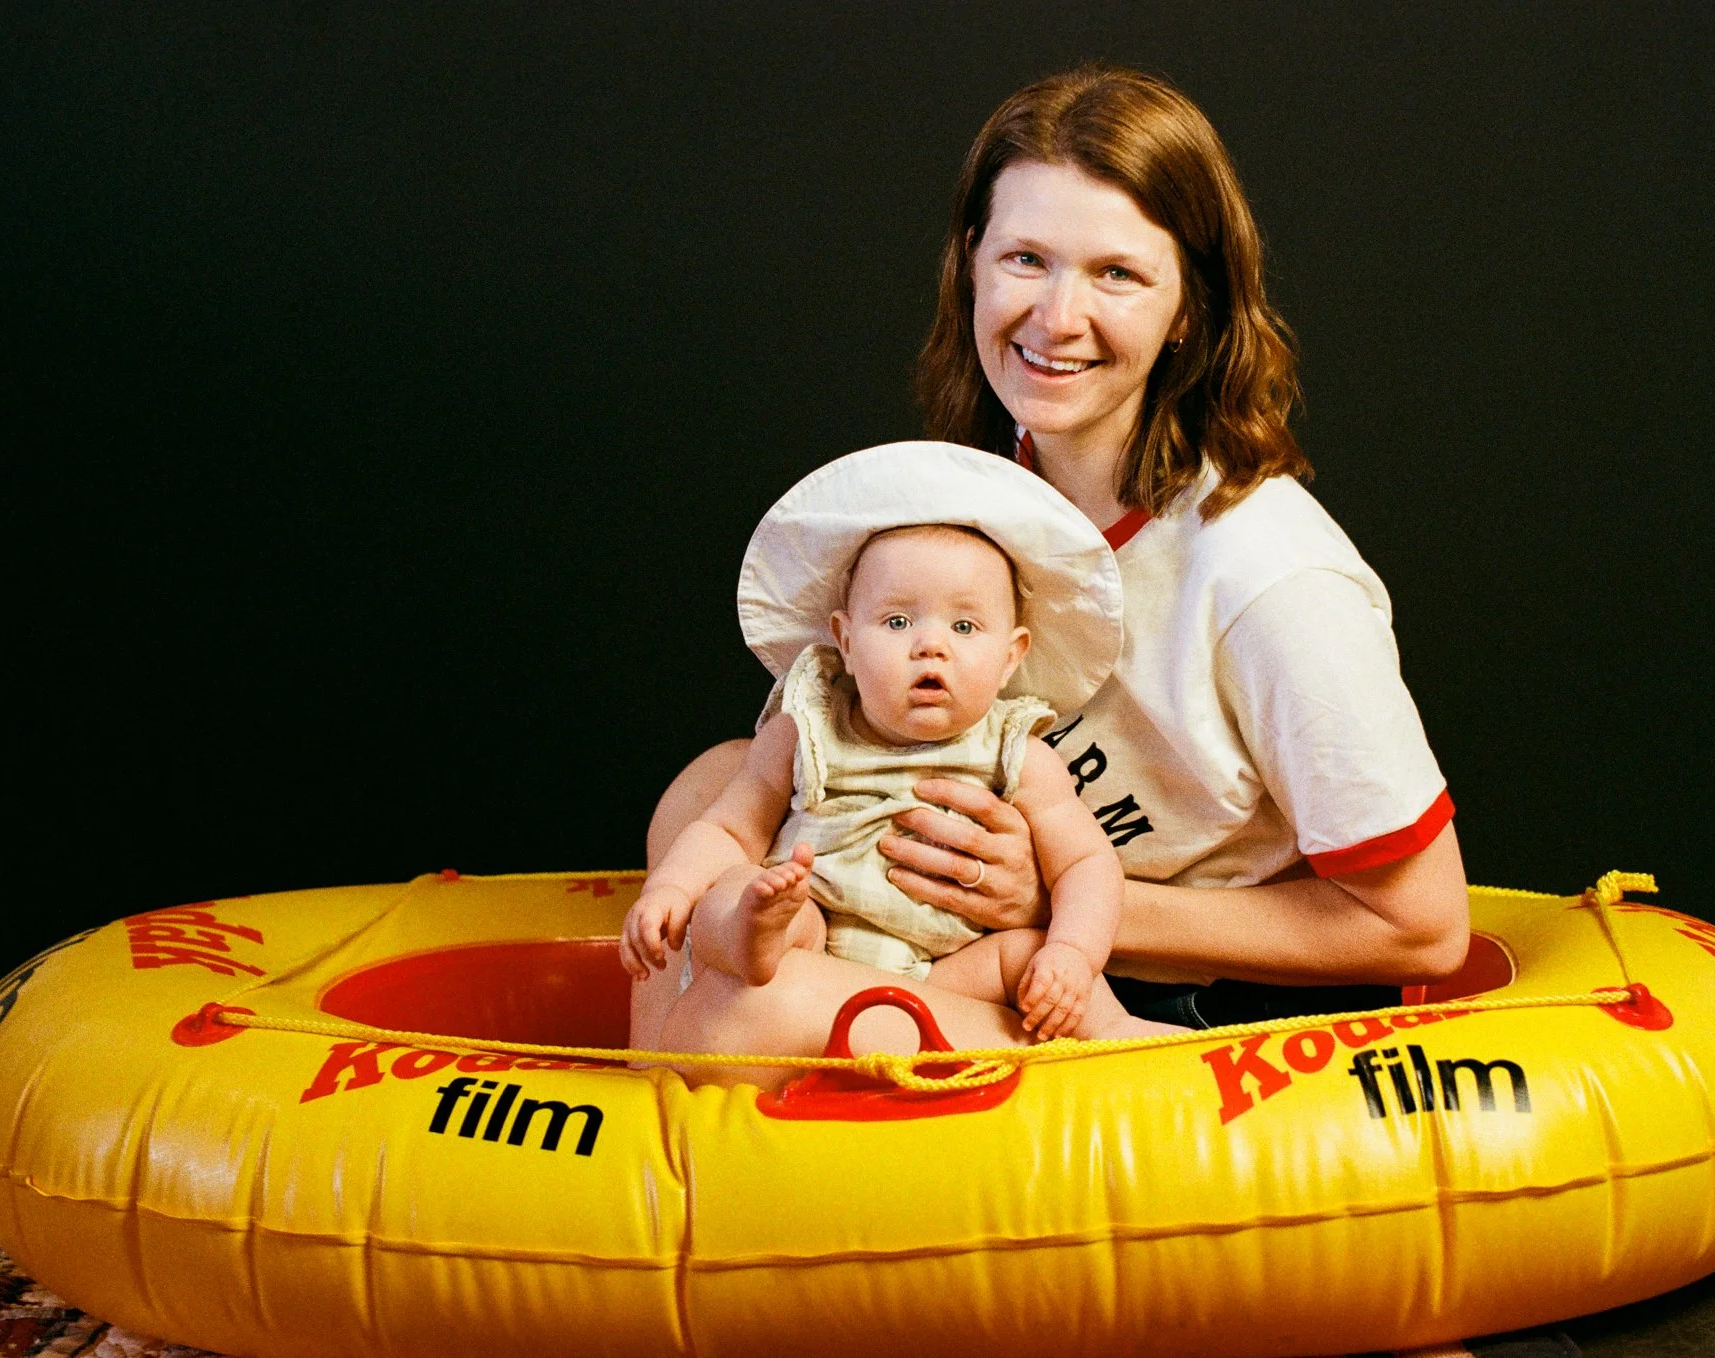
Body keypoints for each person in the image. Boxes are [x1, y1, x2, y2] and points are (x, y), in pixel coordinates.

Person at [631, 64, 1469, 1082]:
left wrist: (1065, 903)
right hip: (956, 930)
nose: (1056, 317)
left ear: (1187, 313)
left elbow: (1422, 928)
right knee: (712, 788)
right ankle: (766, 1062)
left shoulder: (1267, 576)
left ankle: (1090, 1071)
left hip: (1166, 982)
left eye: (1116, 274)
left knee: (727, 1022)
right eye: (1025, 258)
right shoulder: (991, 495)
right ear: (969, 265)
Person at [620, 445, 1171, 1042]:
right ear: (846, 641)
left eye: (964, 627)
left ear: (1012, 656)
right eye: (898, 622)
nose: (930, 646)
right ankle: (759, 935)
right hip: (813, 932)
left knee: (1027, 952)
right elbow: (729, 829)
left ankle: (1125, 1042)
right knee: (732, 892)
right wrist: (670, 889)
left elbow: (1088, 863)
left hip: (943, 975)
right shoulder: (804, 729)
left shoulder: (1018, 754)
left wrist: (1072, 951)